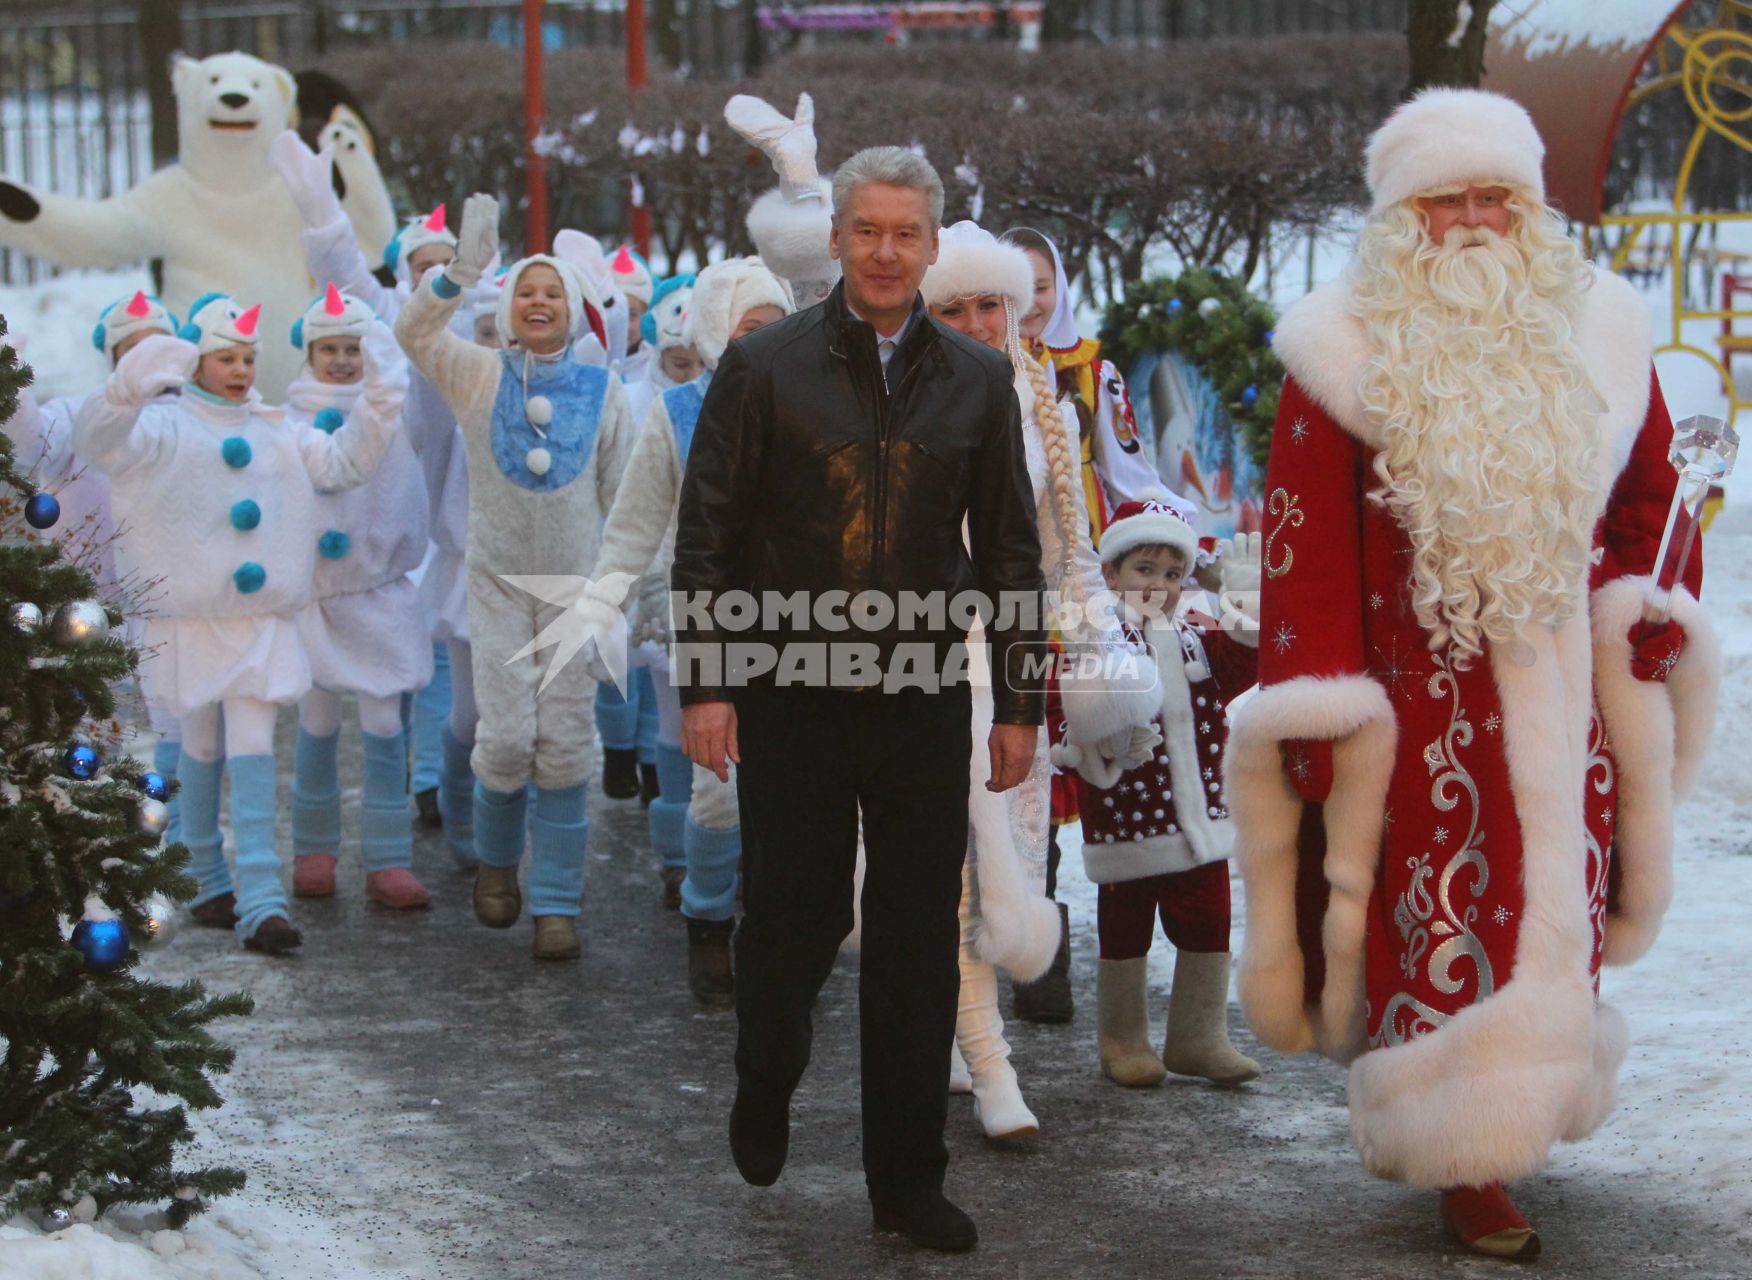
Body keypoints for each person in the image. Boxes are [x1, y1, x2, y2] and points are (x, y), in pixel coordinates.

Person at [1224, 89, 1721, 1259]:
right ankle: (1466, 1149)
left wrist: (1654, 607)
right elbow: (1302, 549)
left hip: (1571, 704)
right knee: (1445, 915)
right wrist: (1318, 697)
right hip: (1423, 708)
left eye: (1498, 192)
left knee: (1559, 912)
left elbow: (1656, 499)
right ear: (1404, 216)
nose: (1477, 217)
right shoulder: (1336, 348)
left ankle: (1524, 1108)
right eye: (1448, 196)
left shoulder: (1600, 324)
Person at [672, 148, 1046, 1253]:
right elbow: (709, 538)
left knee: (916, 935)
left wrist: (1017, 699)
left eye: (907, 234)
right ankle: (767, 1064)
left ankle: (906, 1179)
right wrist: (709, 680)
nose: (887, 252)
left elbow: (1012, 554)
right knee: (797, 918)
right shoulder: (769, 366)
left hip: (923, 691)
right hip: (792, 686)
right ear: (836, 237)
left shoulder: (979, 381)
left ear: (931, 247)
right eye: (867, 230)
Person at [74, 295, 402, 953]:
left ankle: (261, 900)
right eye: (226, 357)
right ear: (198, 359)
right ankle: (203, 877)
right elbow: (101, 443)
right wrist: (125, 389)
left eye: (249, 358)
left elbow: (343, 465)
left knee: (252, 747)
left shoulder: (278, 428)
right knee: (198, 747)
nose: (241, 370)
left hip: (259, 621)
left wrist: (379, 402)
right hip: (190, 620)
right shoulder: (162, 429)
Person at [394, 195, 634, 962]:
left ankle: (558, 904)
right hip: (493, 588)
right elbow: (412, 333)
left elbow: (627, 499)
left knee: (566, 747)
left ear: (574, 310)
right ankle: (498, 868)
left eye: (551, 292)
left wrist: (622, 593)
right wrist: (460, 274)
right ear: (504, 309)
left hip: (573, 597)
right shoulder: (474, 374)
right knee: (502, 740)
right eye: (524, 291)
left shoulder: (605, 394)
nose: (537, 302)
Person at [579, 256, 794, 998]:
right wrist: (604, 604)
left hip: (802, 626)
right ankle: (707, 920)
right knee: (719, 789)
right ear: (711, 333)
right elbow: (634, 521)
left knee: (795, 790)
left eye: (775, 327)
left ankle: (777, 928)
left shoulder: (812, 404)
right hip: (707, 624)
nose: (764, 343)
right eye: (747, 329)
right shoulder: (676, 415)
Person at [1060, 496, 1262, 1089]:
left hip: (1197, 819)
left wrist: (1247, 609)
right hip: (1128, 821)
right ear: (1113, 574)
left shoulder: (1194, 638)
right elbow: (1068, 716)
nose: (1159, 585)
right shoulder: (1098, 639)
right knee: (1126, 929)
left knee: (1210, 920)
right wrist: (1100, 745)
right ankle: (1122, 1041)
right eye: (1144, 570)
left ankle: (1198, 1036)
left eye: (1173, 574)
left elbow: (1237, 670)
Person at [284, 284, 434, 909]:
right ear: (309, 352)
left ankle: (389, 857)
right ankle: (313, 848)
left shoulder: (394, 414)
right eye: (330, 348)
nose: (343, 360)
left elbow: (405, 485)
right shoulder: (287, 422)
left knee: (381, 725)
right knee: (316, 723)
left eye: (354, 348)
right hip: (315, 599)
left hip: (378, 596)